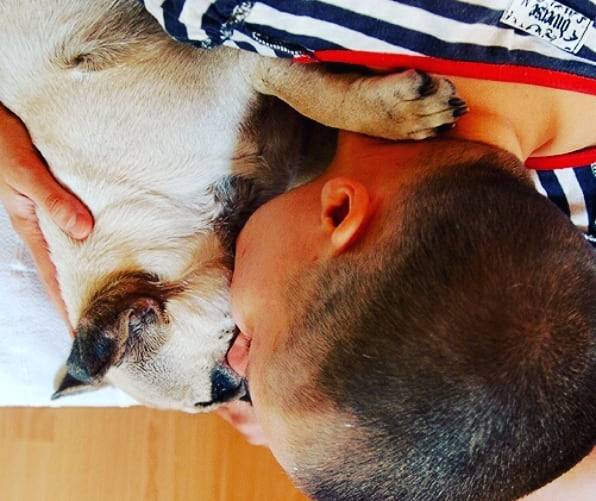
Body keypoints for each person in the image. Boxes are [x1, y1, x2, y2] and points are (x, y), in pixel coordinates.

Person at [1, 0, 594, 499]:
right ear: (336, 214)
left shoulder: (572, 224)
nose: (239, 355)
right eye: (253, 337)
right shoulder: (240, 11)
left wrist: (309, 404)